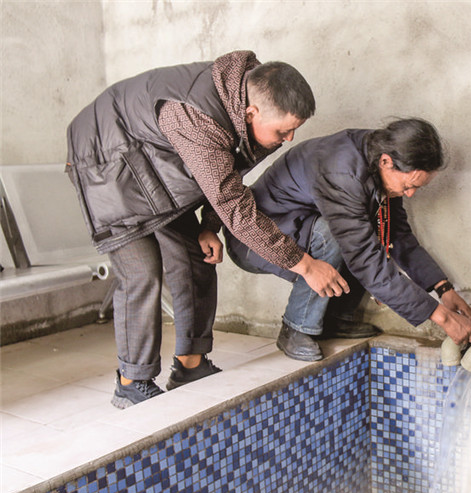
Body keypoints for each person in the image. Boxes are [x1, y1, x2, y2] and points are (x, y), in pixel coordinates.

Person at [65, 50, 348, 408]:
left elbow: (229, 174)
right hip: (104, 160)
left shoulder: (250, 108)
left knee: (197, 256)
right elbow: (234, 205)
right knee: (142, 271)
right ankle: (131, 381)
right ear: (251, 113)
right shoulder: (196, 117)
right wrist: (304, 264)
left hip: (155, 164)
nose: (289, 138)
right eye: (283, 131)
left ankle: (190, 364)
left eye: (294, 130)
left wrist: (209, 226)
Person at [225, 118, 471, 361]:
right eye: (408, 186)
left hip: (297, 229)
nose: (411, 194)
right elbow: (365, 260)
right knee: (338, 235)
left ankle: (335, 318)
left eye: (416, 187)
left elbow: (397, 234)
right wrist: (443, 318)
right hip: (256, 243)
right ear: (386, 162)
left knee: (366, 229)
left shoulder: (379, 160)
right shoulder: (343, 173)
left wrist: (443, 288)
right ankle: (296, 328)